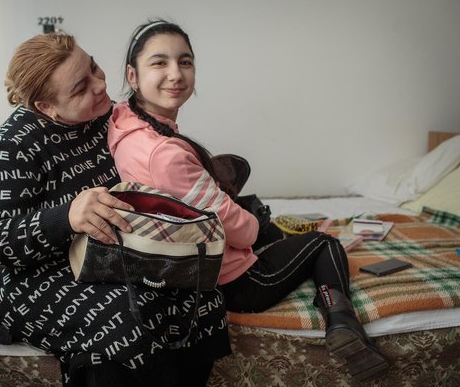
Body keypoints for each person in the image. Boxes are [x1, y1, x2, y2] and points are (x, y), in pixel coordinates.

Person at [107, 19, 390, 383]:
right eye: (159, 63)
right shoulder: (164, 153)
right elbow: (238, 233)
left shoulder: (123, 123)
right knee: (323, 244)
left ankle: (327, 302)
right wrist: (252, 222)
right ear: (133, 74)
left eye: (185, 61)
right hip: (230, 281)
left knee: (267, 222)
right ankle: (341, 321)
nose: (175, 74)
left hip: (194, 264)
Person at [0, 32, 231, 387]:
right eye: (80, 88)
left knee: (201, 298)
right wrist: (66, 217)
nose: (98, 85)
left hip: (105, 255)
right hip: (35, 274)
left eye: (93, 67)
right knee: (129, 321)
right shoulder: (8, 146)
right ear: (46, 107)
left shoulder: (106, 118)